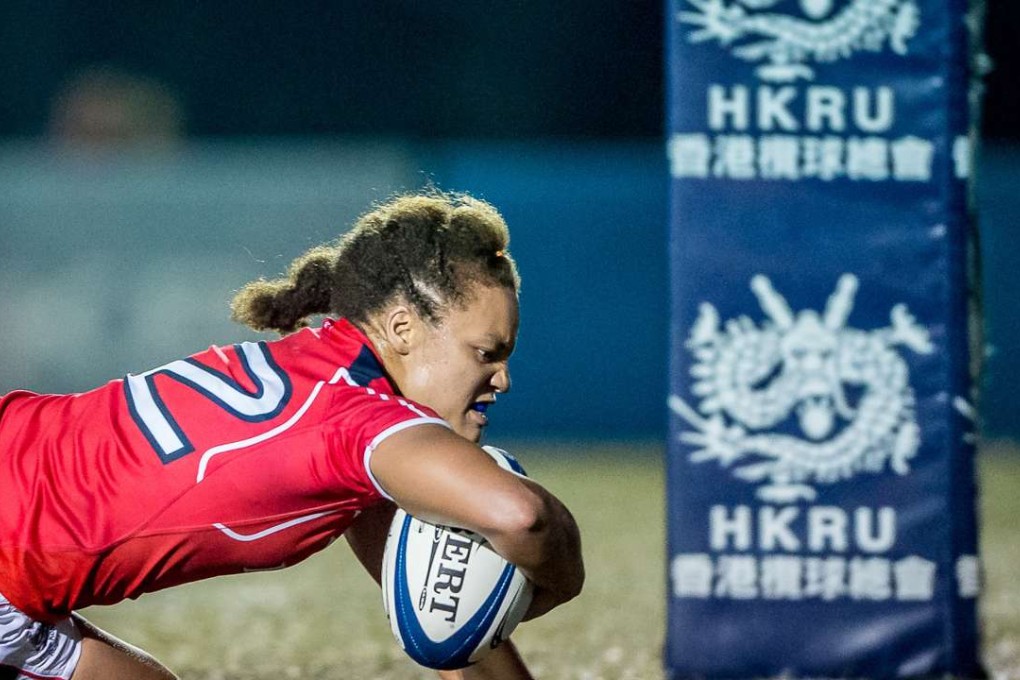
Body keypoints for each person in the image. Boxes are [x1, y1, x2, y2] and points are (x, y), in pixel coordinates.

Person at [0, 191, 584, 680]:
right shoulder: (362, 422)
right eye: (486, 352)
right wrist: (558, 585)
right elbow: (522, 518)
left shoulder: (325, 376)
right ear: (403, 327)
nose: (502, 378)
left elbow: (434, 607)